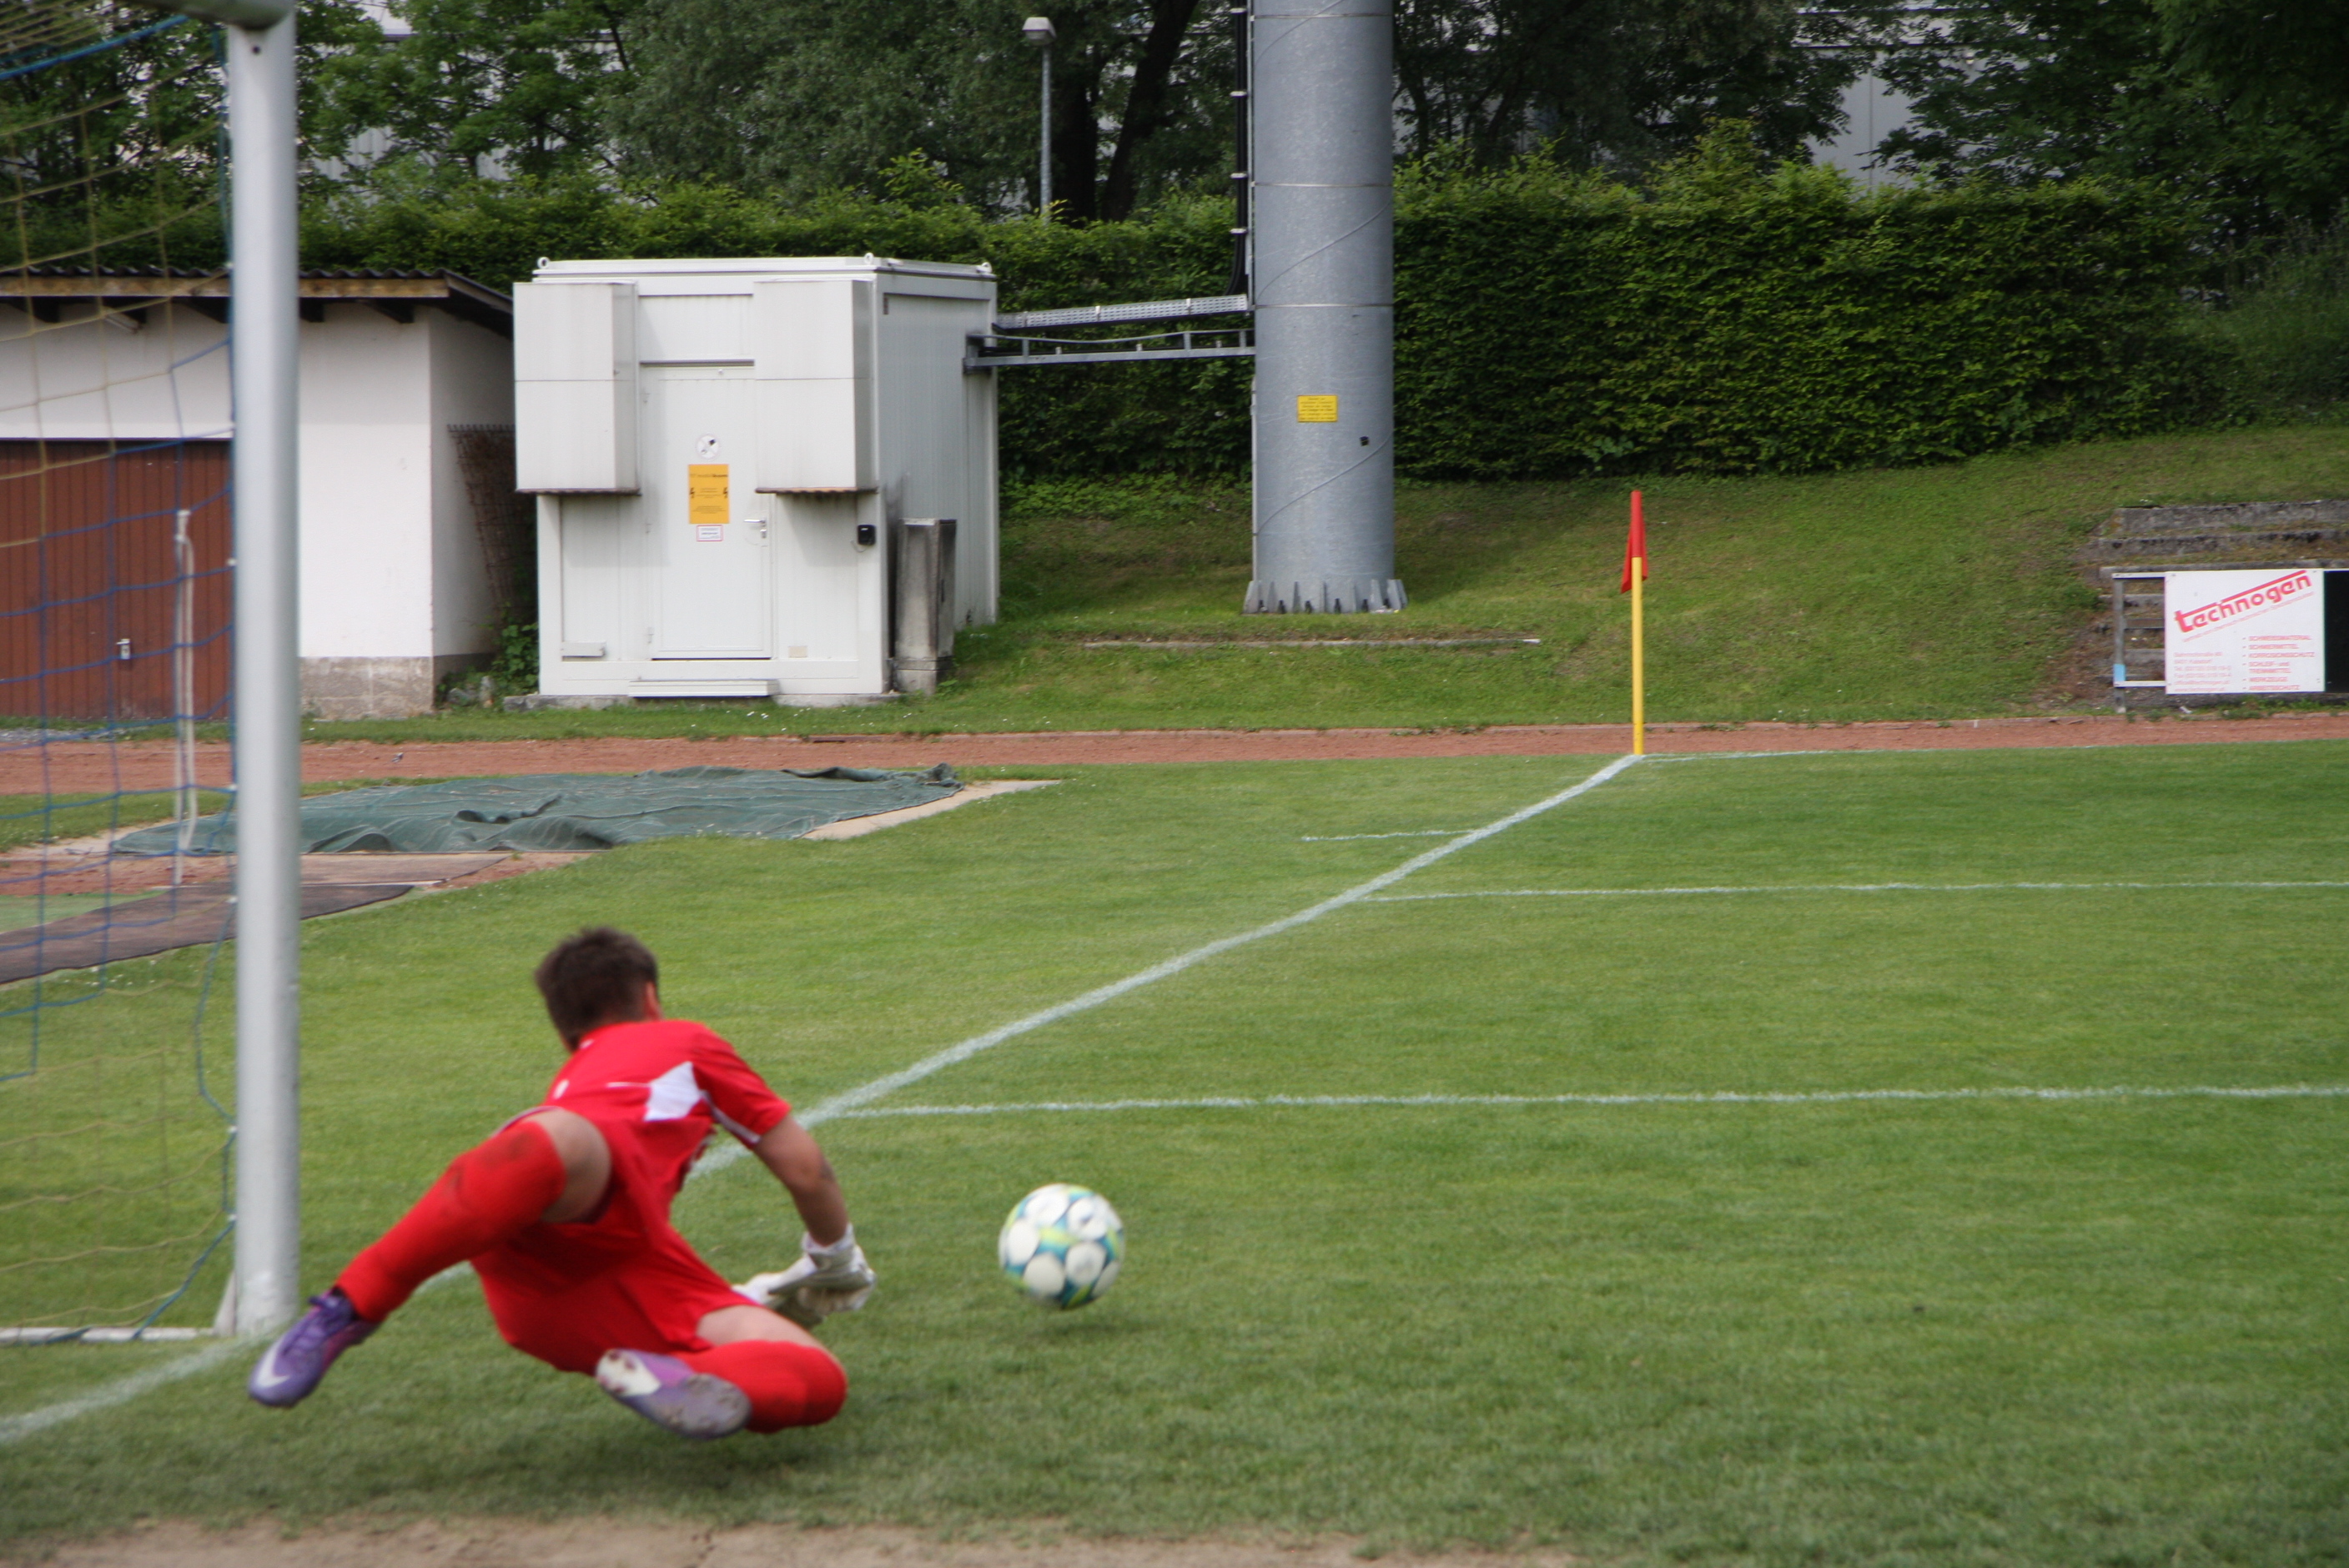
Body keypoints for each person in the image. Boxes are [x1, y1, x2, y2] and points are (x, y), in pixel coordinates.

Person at [247, 927, 876, 1440]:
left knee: (820, 1373)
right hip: (574, 1205)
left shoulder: (576, 1075)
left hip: (567, 1290)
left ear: (563, 1030)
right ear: (650, 997)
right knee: (560, 1138)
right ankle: (353, 1302)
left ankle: (682, 1379)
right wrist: (836, 1255)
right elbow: (806, 1168)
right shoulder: (682, 1040)